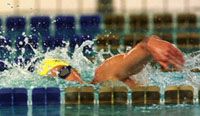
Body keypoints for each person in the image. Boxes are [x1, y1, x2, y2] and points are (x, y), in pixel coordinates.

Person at [38, 35, 185, 89]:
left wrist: (149, 45)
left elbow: (137, 53)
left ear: (77, 72)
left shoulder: (103, 75)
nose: (64, 82)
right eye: (56, 80)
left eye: (63, 73)